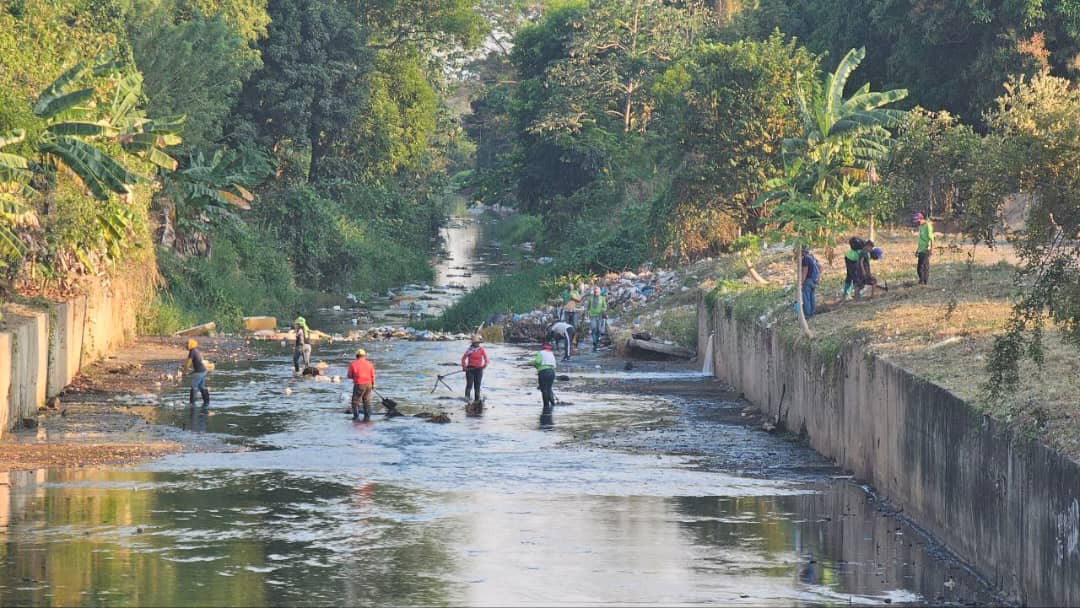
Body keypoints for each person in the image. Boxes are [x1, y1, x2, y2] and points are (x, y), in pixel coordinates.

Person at [347, 348, 376, 421]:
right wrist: (373, 385)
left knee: (355, 402)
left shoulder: (353, 363)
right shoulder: (369, 363)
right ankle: (367, 417)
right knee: (367, 401)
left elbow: (349, 375)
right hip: (369, 384)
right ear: (364, 356)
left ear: (357, 356)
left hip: (359, 384)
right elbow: (372, 375)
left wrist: (354, 377)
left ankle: (356, 417)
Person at [530, 343, 558, 416]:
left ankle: (546, 406)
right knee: (549, 388)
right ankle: (552, 403)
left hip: (544, 372)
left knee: (544, 390)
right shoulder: (551, 354)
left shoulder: (541, 353)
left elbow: (537, 362)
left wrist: (532, 363)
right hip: (552, 372)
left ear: (542, 348)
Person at [461, 335, 489, 403]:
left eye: (478, 343)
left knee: (477, 386)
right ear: (473, 343)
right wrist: (464, 367)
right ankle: (467, 400)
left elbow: (486, 359)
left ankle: (477, 400)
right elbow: (463, 359)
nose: (478, 344)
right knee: (469, 385)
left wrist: (484, 365)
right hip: (470, 370)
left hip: (479, 370)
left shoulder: (481, 349)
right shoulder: (469, 350)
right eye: (476, 342)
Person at [182, 339, 209, 407]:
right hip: (203, 371)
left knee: (194, 386)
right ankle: (206, 401)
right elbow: (199, 362)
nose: (186, 345)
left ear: (191, 344)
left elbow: (188, 362)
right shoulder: (196, 350)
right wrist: (193, 371)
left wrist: (184, 371)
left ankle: (192, 403)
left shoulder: (192, 351)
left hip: (199, 372)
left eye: (187, 344)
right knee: (202, 387)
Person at [913, 212, 934, 285]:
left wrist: (931, 249)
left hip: (926, 249)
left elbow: (931, 238)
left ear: (922, 219)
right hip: (920, 249)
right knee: (919, 268)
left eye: (918, 221)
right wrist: (917, 250)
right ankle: (921, 280)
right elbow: (920, 240)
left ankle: (924, 282)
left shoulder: (928, 226)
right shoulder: (920, 227)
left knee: (924, 266)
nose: (917, 223)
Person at [800, 246, 820, 317]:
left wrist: (801, 282)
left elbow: (805, 272)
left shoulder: (805, 259)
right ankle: (812, 312)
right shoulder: (812, 258)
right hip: (814, 280)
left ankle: (807, 314)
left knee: (806, 298)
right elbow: (820, 267)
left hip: (808, 281)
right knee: (812, 297)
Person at [586, 286, 607, 352]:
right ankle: (594, 341)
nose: (596, 293)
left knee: (599, 330)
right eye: (595, 292)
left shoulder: (602, 298)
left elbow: (605, 306)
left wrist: (603, 310)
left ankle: (596, 342)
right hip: (592, 315)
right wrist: (588, 312)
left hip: (600, 315)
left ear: (600, 292)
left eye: (597, 292)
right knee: (593, 328)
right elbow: (588, 306)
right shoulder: (590, 298)